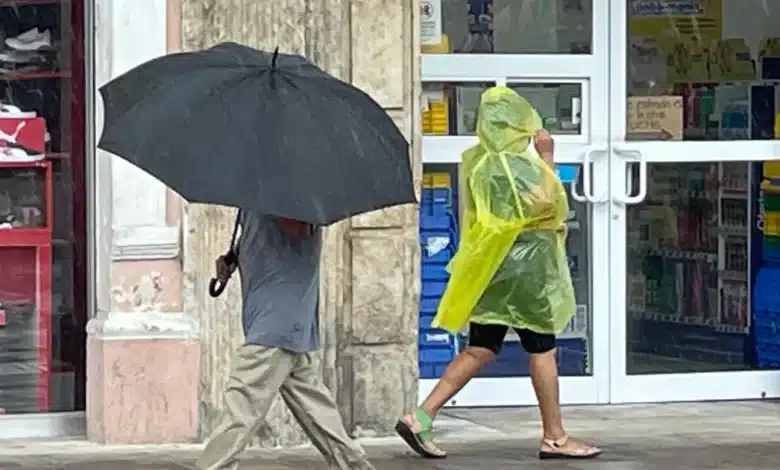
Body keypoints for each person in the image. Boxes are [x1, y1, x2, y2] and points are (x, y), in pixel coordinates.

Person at [395, 126, 602, 460]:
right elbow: (549, 204)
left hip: (492, 272)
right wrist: (547, 155)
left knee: (480, 348)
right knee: (542, 350)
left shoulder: (480, 165)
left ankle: (420, 417)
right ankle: (555, 437)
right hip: (525, 274)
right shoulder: (518, 167)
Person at [196, 213, 376, 470]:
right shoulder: (258, 191)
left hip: (277, 320)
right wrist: (233, 257)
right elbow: (263, 239)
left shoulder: (292, 190)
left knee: (241, 404)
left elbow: (300, 228)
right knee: (315, 408)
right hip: (274, 319)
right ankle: (354, 465)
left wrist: (271, 200)